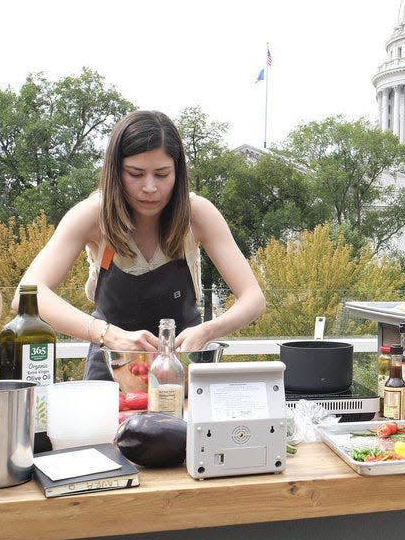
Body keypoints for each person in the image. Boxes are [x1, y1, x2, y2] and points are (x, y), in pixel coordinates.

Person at [17, 110, 266, 379]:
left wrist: (208, 330)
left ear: (178, 173)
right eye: (135, 174)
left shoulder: (199, 215)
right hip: (112, 368)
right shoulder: (91, 216)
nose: (149, 187)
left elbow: (254, 300)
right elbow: (28, 293)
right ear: (116, 172)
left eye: (162, 174)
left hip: (183, 367)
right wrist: (107, 334)